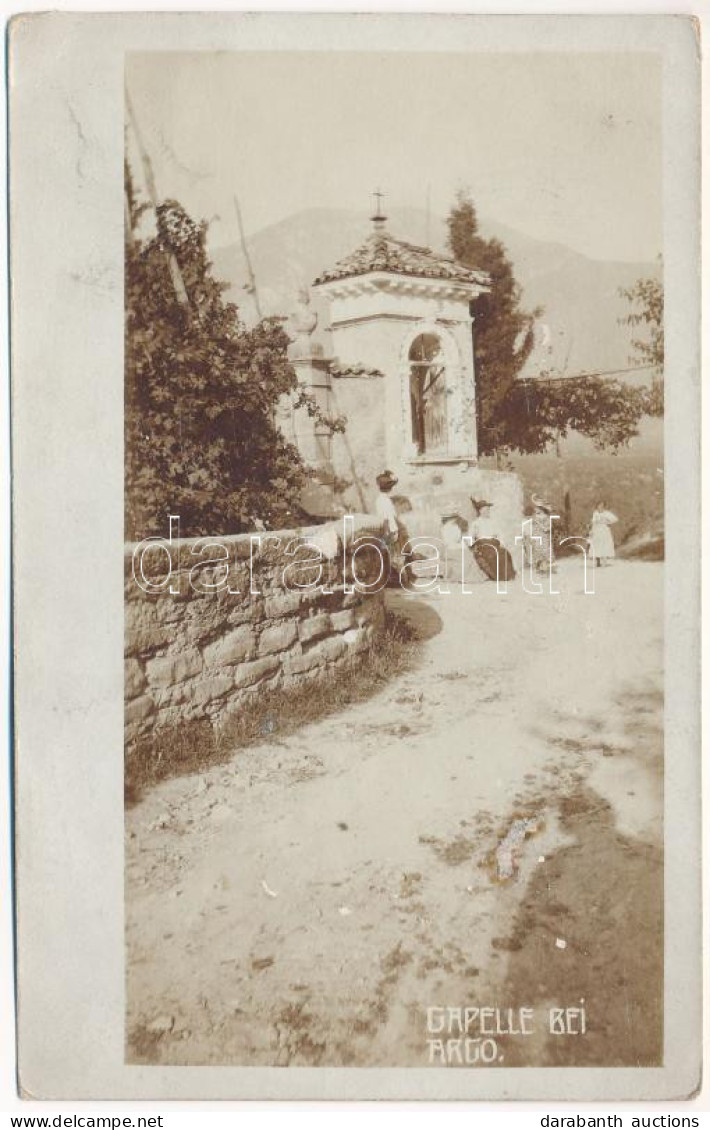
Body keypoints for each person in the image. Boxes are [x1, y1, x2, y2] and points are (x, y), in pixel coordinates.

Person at [468, 498, 516, 583]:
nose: (487, 511)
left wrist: (502, 542)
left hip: (494, 542)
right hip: (482, 544)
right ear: (480, 511)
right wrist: (472, 545)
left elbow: (499, 533)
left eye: (488, 510)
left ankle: (505, 575)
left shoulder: (493, 522)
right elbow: (470, 536)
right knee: (491, 554)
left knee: (504, 553)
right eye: (484, 510)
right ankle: (495, 576)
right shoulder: (476, 523)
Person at [525, 494, 556, 574]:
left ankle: (545, 567)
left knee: (545, 551)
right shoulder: (535, 517)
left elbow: (547, 528)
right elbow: (531, 523)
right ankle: (540, 567)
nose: (536, 514)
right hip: (536, 537)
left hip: (544, 537)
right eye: (536, 512)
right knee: (537, 551)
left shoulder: (547, 518)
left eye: (538, 513)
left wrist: (540, 525)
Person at [589, 501, 619, 567]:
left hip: (604, 530)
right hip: (596, 530)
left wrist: (608, 522)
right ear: (597, 506)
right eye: (599, 505)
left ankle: (604, 561)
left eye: (602, 505)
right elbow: (593, 522)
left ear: (604, 506)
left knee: (604, 544)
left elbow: (615, 519)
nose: (600, 507)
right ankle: (598, 561)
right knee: (597, 545)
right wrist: (591, 530)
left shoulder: (606, 513)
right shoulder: (595, 513)